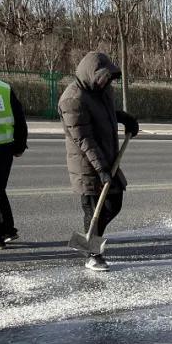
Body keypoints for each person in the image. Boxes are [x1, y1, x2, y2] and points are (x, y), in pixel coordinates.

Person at [59, 51, 139, 271]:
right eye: (102, 77)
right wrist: (102, 168)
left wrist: (124, 118)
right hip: (86, 165)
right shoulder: (72, 99)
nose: (105, 82)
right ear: (90, 74)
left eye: (108, 77)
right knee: (94, 210)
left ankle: (90, 242)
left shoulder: (101, 91)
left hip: (106, 157)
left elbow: (106, 112)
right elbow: (84, 139)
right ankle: (92, 255)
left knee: (114, 203)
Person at [0, 78, 28, 250]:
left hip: (4, 148)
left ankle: (0, 236)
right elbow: (19, 118)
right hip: (5, 149)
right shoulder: (4, 88)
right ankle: (7, 229)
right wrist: (20, 145)